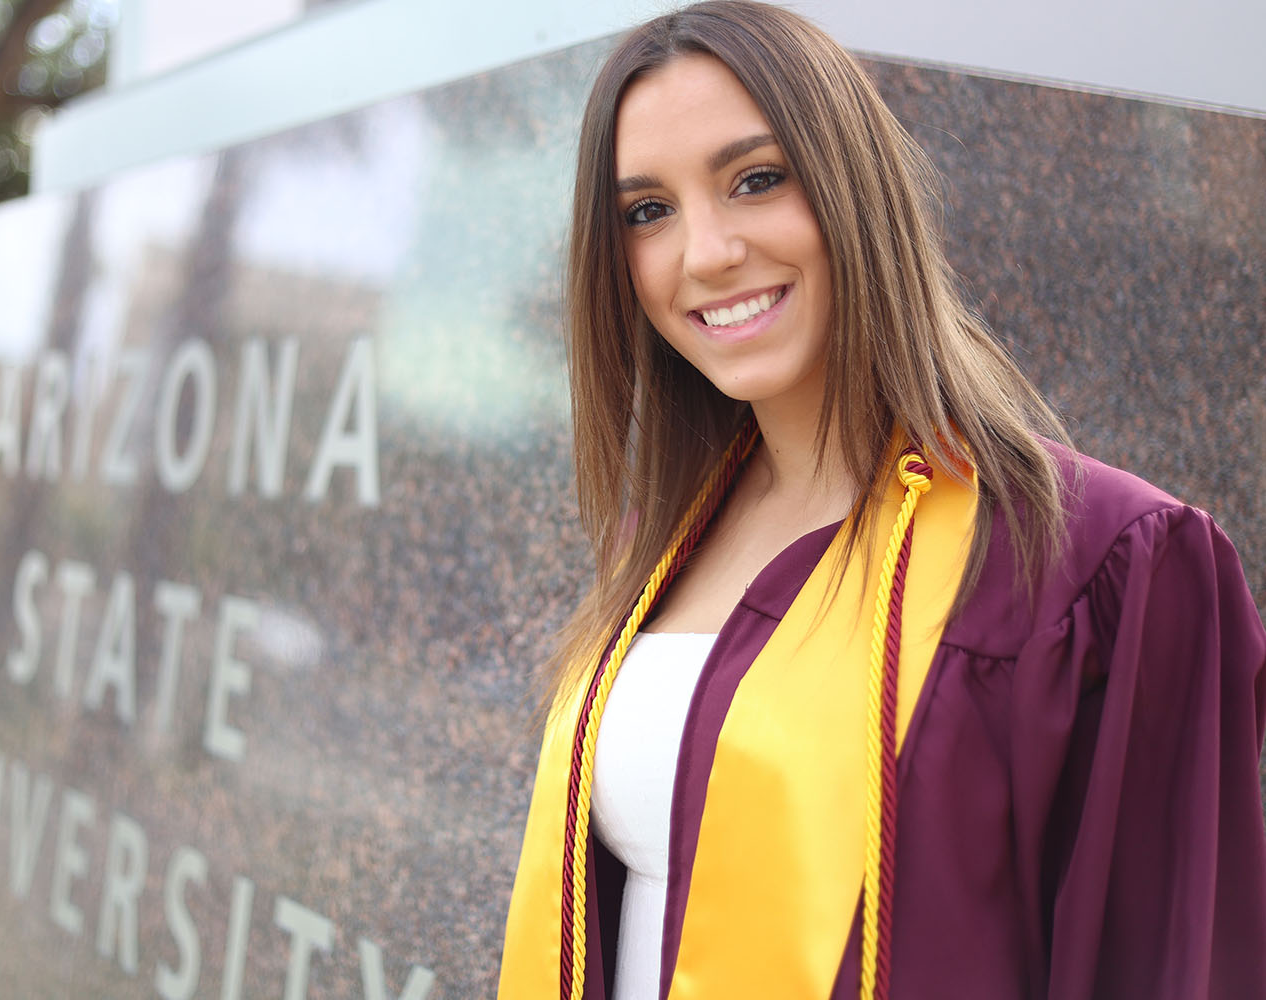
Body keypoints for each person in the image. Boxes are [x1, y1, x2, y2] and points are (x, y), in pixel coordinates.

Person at [497, 3, 1266, 999]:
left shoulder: (1099, 564)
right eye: (649, 210)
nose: (706, 253)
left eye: (756, 180)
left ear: (854, 188)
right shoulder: (664, 542)